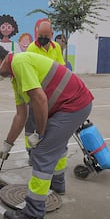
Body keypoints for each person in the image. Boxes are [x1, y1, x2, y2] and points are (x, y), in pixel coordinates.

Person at [0, 44, 94, 219]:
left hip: (74, 105)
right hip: (68, 105)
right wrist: (7, 143)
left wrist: (40, 135)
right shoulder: (14, 76)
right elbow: (21, 114)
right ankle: (56, 185)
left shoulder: (20, 62)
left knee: (43, 152)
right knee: (54, 144)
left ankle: (33, 214)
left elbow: (40, 99)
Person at [26, 19, 67, 195]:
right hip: (37, 96)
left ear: (51, 35)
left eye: (46, 36)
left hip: (54, 97)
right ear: (36, 34)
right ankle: (32, 155)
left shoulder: (56, 48)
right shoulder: (31, 50)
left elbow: (62, 68)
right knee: (32, 130)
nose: (43, 39)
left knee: (53, 136)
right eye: (40, 36)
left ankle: (56, 180)